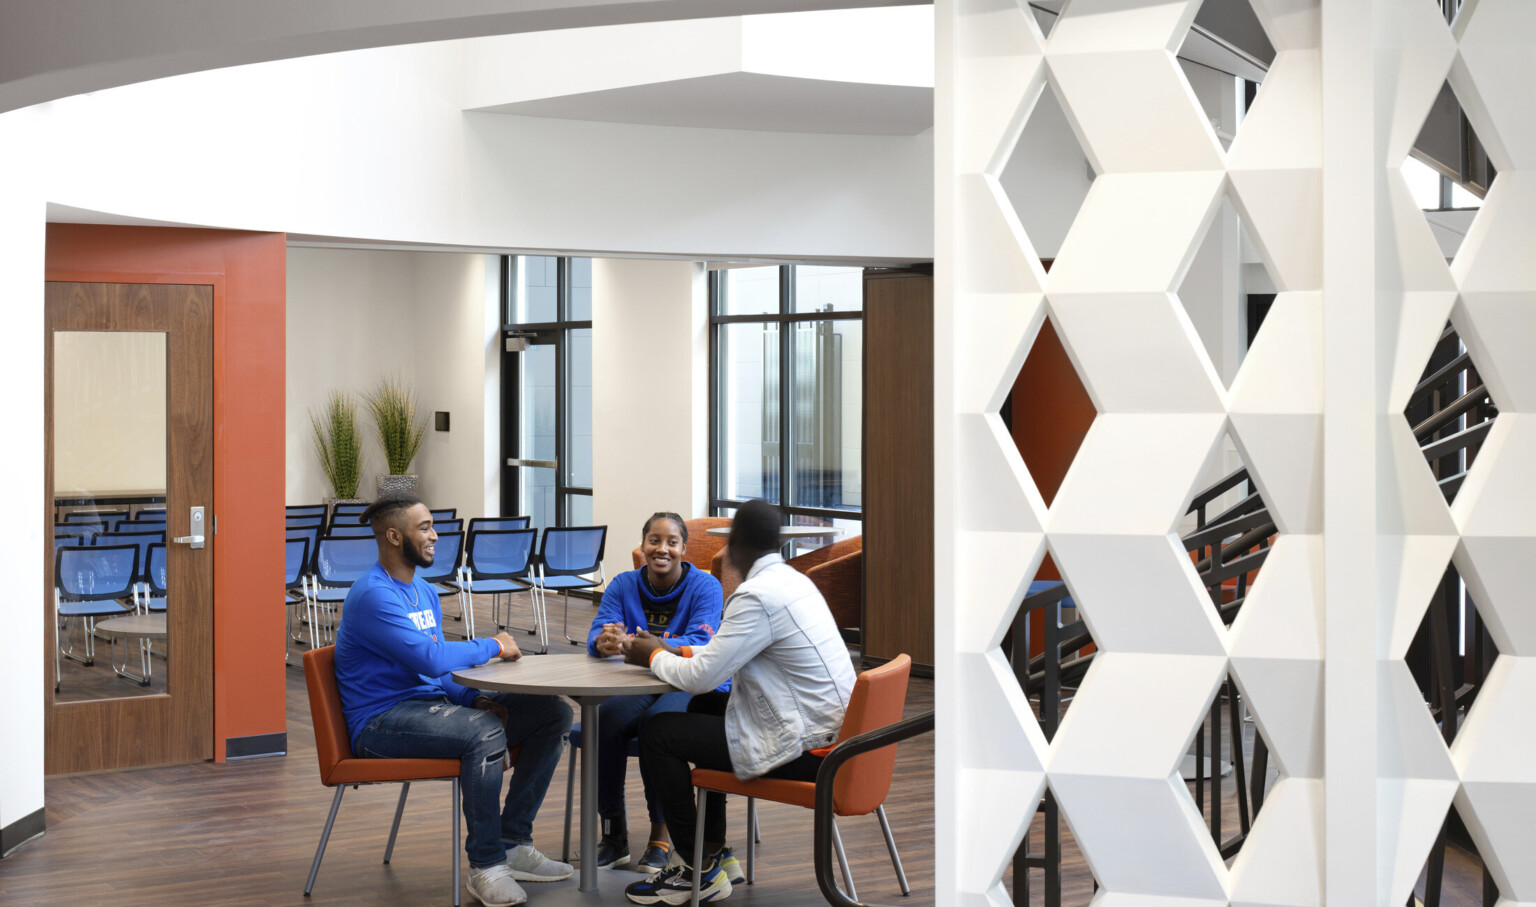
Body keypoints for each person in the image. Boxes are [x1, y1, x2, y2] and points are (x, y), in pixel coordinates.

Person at [333, 496, 573, 907]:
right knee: (483, 732)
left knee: (552, 712)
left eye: (432, 526)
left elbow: (437, 670)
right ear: (394, 536)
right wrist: (493, 645)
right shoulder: (373, 595)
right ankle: (487, 865)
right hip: (380, 723)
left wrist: (474, 698)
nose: (434, 535)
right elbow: (429, 657)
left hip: (431, 707)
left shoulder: (422, 591)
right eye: (424, 527)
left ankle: (514, 841)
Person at [620, 500, 857, 905]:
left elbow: (702, 677)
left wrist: (652, 656)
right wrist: (672, 651)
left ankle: (699, 869)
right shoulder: (794, 582)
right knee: (708, 708)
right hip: (840, 739)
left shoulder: (756, 597)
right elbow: (722, 657)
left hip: (811, 751)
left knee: (659, 732)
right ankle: (714, 852)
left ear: (736, 548)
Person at [585, 512, 725, 872]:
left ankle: (660, 836)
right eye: (654, 540)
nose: (662, 549)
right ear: (643, 544)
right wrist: (603, 642)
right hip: (642, 680)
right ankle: (614, 834)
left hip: (689, 682)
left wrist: (646, 645)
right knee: (605, 719)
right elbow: (599, 631)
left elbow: (702, 642)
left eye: (672, 542)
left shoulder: (706, 586)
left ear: (683, 548)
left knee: (658, 726)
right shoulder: (622, 583)